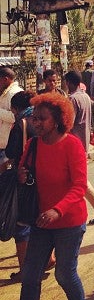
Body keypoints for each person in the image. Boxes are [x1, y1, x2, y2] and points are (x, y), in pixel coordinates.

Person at [0, 93, 92, 300]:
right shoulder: (34, 145)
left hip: (69, 222)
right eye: (35, 118)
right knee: (30, 276)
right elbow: (27, 178)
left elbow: (79, 186)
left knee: (64, 273)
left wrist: (57, 210)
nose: (36, 123)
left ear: (58, 120)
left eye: (42, 119)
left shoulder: (71, 145)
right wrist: (20, 175)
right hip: (40, 221)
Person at [64, 71, 94, 225]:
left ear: (69, 83)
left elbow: (68, 124)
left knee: (78, 179)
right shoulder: (85, 97)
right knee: (75, 179)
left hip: (73, 145)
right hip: (83, 143)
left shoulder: (72, 99)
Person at [1, 91, 36, 282]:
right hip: (40, 176)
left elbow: (11, 151)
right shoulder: (41, 119)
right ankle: (49, 258)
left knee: (20, 224)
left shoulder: (21, 123)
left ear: (15, 108)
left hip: (23, 177)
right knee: (37, 219)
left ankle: (25, 270)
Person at [0, 67, 23, 161]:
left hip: (8, 144)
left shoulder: (15, 93)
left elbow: (16, 116)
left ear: (5, 79)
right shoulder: (5, 92)